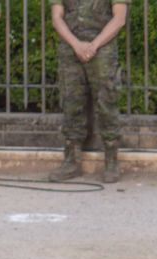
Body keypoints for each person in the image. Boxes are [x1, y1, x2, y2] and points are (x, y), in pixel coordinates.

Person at [47, 0, 127, 184]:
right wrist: (76, 45)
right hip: (70, 48)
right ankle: (71, 161)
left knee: (107, 101)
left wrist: (94, 45)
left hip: (103, 49)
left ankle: (111, 160)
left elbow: (119, 18)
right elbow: (57, 17)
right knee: (71, 101)